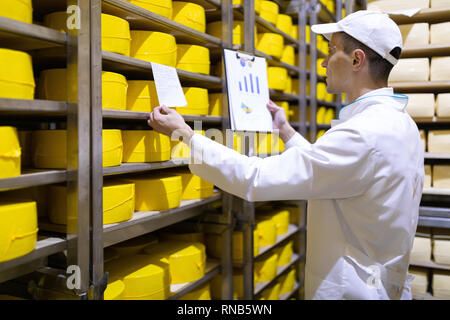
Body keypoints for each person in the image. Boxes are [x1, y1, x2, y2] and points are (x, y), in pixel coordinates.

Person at [147, 10, 424, 300]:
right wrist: (287, 133)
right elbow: (338, 173)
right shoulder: (398, 123)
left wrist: (185, 136)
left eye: (331, 51)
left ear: (356, 60)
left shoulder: (363, 133)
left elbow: (256, 178)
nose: (324, 61)